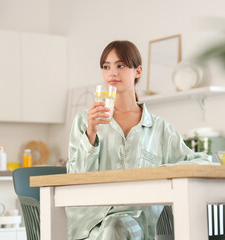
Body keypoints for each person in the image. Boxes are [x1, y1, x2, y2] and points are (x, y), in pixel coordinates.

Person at [66, 40, 210, 240]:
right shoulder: (85, 120)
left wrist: (165, 170)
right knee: (112, 228)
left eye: (121, 65)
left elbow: (203, 161)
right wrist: (91, 133)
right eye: (106, 67)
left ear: (138, 71)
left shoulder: (158, 128)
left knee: (116, 227)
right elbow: (74, 178)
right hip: (88, 224)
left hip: (136, 223)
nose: (112, 73)